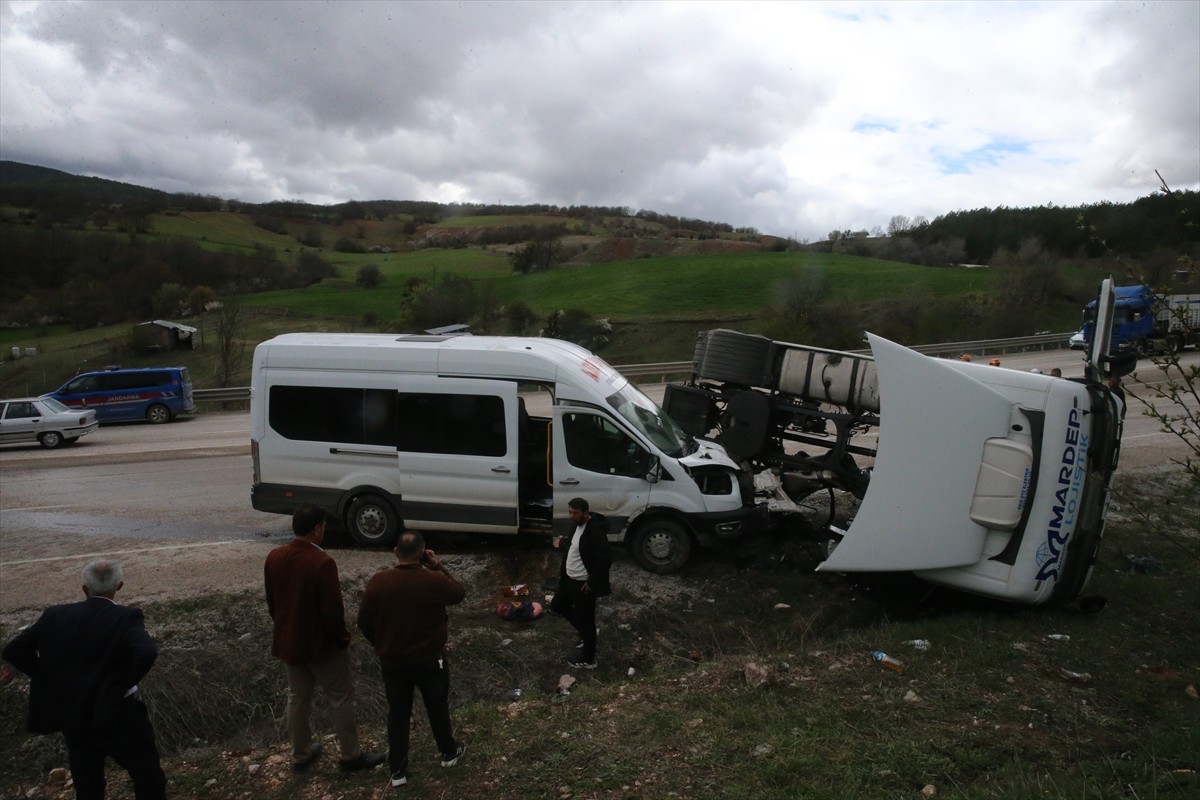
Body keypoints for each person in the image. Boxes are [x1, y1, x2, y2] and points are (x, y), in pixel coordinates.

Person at [2, 560, 167, 800]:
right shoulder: (126, 616)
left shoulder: (55, 615)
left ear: (84, 588)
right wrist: (121, 684)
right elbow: (147, 652)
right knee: (147, 775)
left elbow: (13, 650)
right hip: (117, 712)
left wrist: (50, 678)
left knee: (87, 781)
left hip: (73, 713)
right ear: (119, 586)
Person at [263, 503, 384, 773]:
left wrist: (284, 628)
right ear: (318, 529)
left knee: (297, 699)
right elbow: (332, 610)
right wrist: (341, 638)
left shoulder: (274, 556)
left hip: (289, 643)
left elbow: (273, 602)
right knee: (340, 698)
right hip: (322, 646)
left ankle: (301, 754)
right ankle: (350, 754)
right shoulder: (322, 562)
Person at [357, 531, 467, 789]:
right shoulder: (432, 580)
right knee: (437, 706)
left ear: (396, 552)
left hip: (393, 661)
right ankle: (448, 752)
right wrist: (437, 566)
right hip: (430, 659)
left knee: (398, 712)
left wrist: (382, 645)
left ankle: (397, 769)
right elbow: (459, 594)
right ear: (423, 553)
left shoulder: (378, 582)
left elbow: (364, 623)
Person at [550, 497, 612, 669]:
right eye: (570, 512)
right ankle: (585, 632)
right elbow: (575, 544)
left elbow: (605, 559)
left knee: (587, 619)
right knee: (558, 605)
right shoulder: (577, 525)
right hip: (569, 579)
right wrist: (562, 543)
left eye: (575, 513)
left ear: (586, 513)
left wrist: (592, 582)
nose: (571, 516)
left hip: (583, 584)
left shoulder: (595, 532)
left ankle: (588, 659)